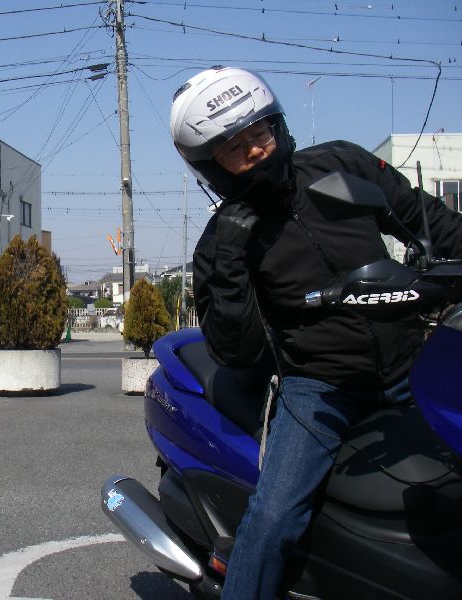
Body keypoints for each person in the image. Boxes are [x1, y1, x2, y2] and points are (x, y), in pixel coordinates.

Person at [170, 66, 462, 599]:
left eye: (260, 132)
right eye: (234, 149)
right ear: (210, 166)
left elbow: (432, 223)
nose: (255, 150)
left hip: (413, 364)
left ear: (277, 124)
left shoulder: (342, 164)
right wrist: (231, 255)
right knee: (275, 517)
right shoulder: (221, 241)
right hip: (320, 388)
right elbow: (235, 348)